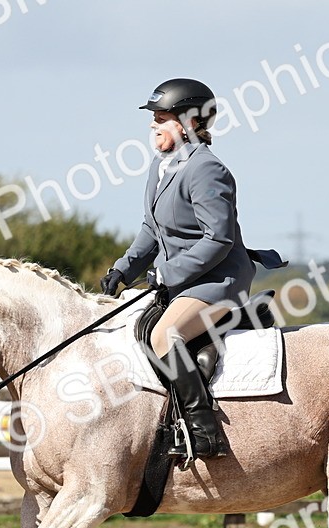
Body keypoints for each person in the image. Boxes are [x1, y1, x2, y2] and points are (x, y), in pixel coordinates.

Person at [101, 78, 258, 460]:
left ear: (188, 122)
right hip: (181, 283)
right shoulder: (162, 167)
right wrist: (123, 270)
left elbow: (218, 240)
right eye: (153, 118)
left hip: (218, 282)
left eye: (161, 118)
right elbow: (151, 230)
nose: (153, 125)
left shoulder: (207, 170)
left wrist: (165, 275)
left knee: (163, 336)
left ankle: (204, 432)